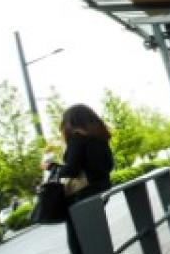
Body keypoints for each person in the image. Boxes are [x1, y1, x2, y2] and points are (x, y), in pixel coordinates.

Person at [42, 104, 114, 254]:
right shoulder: (101, 137)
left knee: (77, 244)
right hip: (101, 190)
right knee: (96, 239)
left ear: (71, 122)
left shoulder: (77, 138)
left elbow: (71, 170)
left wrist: (51, 167)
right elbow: (109, 164)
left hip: (82, 196)